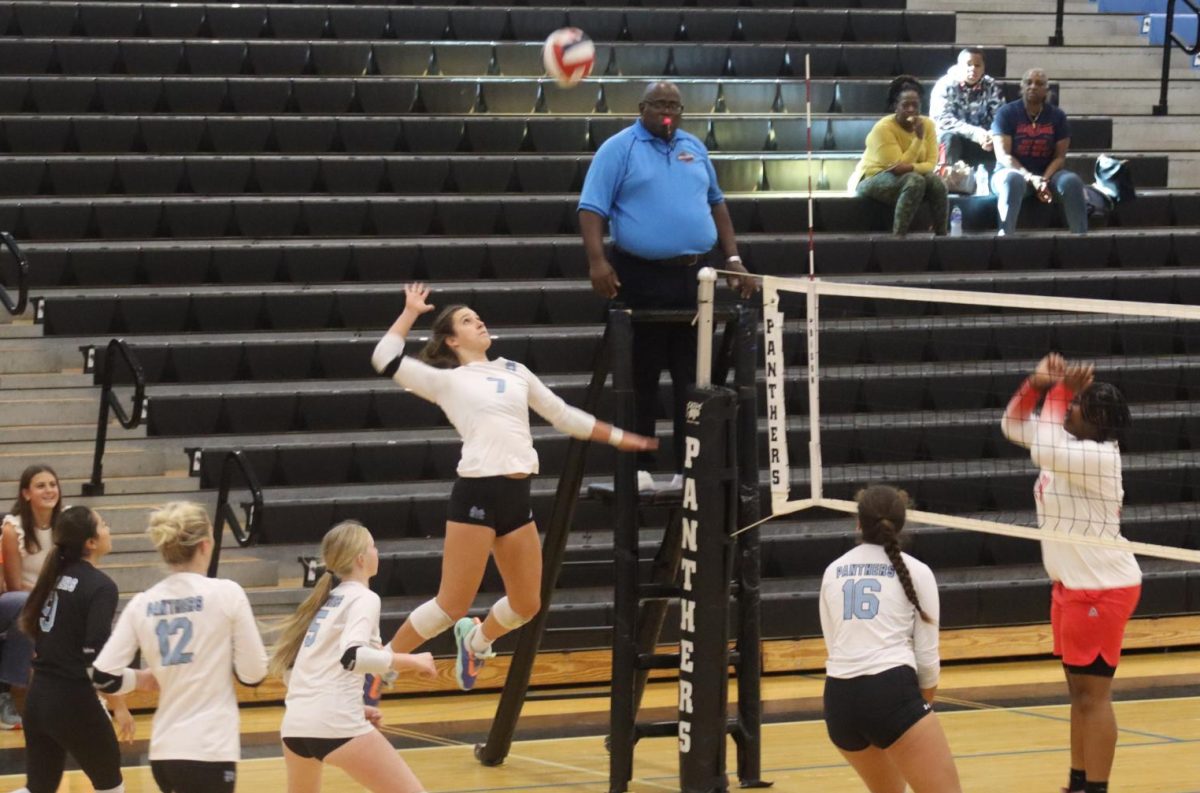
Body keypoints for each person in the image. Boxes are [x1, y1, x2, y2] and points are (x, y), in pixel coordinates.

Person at [372, 283, 657, 690]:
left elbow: (562, 415)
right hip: (477, 493)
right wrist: (410, 312)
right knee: (451, 603)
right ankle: (383, 664)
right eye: (467, 321)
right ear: (452, 340)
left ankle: (477, 640)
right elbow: (383, 357)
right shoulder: (448, 381)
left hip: (515, 497)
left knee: (527, 604)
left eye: (477, 316)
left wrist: (617, 437)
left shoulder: (515, 370)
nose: (479, 321)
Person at [578, 79, 756, 493]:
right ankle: (639, 468)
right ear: (641, 107)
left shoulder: (695, 147)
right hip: (639, 273)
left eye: (674, 105)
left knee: (692, 377)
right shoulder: (619, 148)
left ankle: (687, 468)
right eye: (659, 104)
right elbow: (591, 207)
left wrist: (732, 258)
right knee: (640, 374)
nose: (667, 111)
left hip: (696, 277)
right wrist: (596, 260)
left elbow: (717, 203)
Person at [1001, 354, 1139, 793]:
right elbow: (1012, 426)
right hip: (1071, 587)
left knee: (1093, 699)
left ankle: (1095, 789)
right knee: (1079, 697)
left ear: (1097, 420)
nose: (1068, 410)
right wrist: (1038, 384)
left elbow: (1043, 445)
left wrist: (1058, 390)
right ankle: (1077, 783)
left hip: (1101, 589)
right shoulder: (1066, 447)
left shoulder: (1097, 457)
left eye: (1077, 405)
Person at [92, 502, 268, 793]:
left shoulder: (143, 602)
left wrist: (140, 679)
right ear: (205, 545)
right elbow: (254, 673)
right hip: (209, 748)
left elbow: (102, 676)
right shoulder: (226, 593)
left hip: (164, 752)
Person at [271, 520, 435, 793]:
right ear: (361, 559)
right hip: (336, 725)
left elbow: (299, 672)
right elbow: (353, 657)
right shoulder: (364, 598)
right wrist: (412, 661)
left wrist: (354, 707)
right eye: (373, 546)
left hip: (296, 728)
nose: (377, 552)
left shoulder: (328, 600)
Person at [819, 485, 960, 793]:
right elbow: (927, 660)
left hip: (838, 702)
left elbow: (834, 646)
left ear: (858, 524)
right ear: (902, 524)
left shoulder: (832, 571)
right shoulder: (917, 572)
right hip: (890, 690)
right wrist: (914, 711)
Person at [13, 506, 135, 793]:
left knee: (39, 789)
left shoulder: (53, 576)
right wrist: (119, 702)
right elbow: (98, 658)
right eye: (103, 524)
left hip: (38, 699)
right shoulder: (101, 586)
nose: (108, 529)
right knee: (110, 785)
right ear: (90, 542)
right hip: (73, 700)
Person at [990, 68, 1087, 235]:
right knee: (1013, 180)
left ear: (1046, 90)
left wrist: (1043, 179)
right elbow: (1003, 156)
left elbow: (1059, 158)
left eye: (1039, 83)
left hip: (1047, 175)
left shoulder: (1057, 116)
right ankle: (1005, 239)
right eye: (1028, 82)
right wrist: (1029, 177)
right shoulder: (1006, 113)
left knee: (1072, 182)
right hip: (1010, 173)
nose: (1033, 86)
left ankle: (1081, 239)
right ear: (1021, 86)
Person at [848, 75, 949, 237]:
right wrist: (918, 139)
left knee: (936, 182)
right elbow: (897, 167)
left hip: (907, 174)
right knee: (915, 181)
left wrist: (911, 167)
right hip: (872, 177)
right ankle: (898, 237)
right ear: (896, 106)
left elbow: (931, 163)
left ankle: (942, 235)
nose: (911, 110)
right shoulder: (883, 129)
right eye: (905, 105)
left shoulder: (928, 124)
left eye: (915, 105)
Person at [0, 464, 59, 730]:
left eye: (52, 484)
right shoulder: (13, 529)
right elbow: (12, 587)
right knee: (25, 607)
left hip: (56, 599)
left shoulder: (68, 523)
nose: (49, 490)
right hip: (25, 600)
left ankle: (87, 696)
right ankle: (10, 693)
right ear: (25, 493)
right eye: (41, 485)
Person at [930, 47, 1004, 171]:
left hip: (983, 140)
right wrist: (975, 133)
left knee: (1001, 138)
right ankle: (945, 179)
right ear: (959, 66)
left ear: (983, 68)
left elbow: (1000, 116)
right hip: (955, 138)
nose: (973, 69)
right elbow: (943, 120)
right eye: (968, 65)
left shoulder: (991, 85)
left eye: (977, 65)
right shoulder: (944, 84)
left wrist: (992, 134)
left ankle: (995, 180)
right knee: (948, 137)